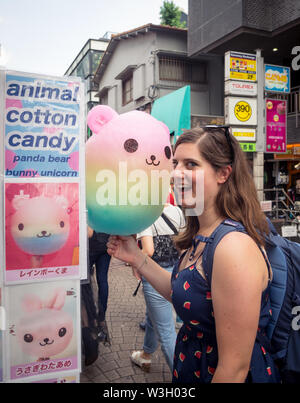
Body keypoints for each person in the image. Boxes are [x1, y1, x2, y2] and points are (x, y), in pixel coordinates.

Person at [107, 126, 280, 383]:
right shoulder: (200, 233)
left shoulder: (233, 247)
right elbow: (184, 292)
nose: (176, 173)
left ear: (223, 173)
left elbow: (234, 369)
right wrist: (136, 257)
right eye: (175, 163)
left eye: (191, 164)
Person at [130, 203, 185, 372]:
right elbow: (183, 246)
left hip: (155, 276)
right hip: (177, 272)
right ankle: (146, 355)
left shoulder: (144, 215)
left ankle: (182, 376)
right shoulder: (176, 210)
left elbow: (149, 250)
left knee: (167, 332)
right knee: (152, 316)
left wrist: (135, 263)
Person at [88, 227, 111, 344]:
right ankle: (101, 316)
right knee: (103, 280)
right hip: (106, 243)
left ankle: (89, 314)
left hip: (90, 245)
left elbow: (88, 232)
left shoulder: (87, 207)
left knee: (86, 280)